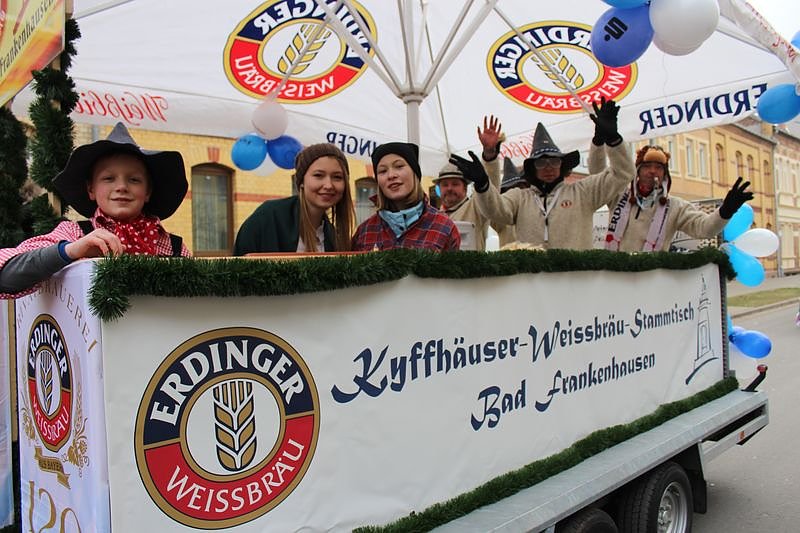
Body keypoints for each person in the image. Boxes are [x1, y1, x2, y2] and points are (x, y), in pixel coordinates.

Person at [0, 122, 190, 298]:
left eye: (134, 179)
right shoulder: (73, 234)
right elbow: (6, 276)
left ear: (147, 191)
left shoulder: (174, 247)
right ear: (91, 189)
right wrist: (71, 251)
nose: (122, 186)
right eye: (109, 178)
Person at [450, 98, 634, 250]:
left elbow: (623, 173)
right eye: (541, 162)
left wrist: (613, 140)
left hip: (575, 284)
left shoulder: (583, 193)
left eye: (554, 161)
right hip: (531, 286)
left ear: (562, 165)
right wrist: (483, 182)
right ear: (532, 168)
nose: (548, 167)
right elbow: (496, 211)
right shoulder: (520, 198)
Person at [602, 145, 753, 252]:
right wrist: (600, 141)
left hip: (652, 279)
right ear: (638, 170)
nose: (653, 171)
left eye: (659, 167)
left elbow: (705, 229)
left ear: (665, 174)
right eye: (647, 166)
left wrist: (726, 210)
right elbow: (597, 176)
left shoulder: (675, 206)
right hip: (615, 276)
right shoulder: (618, 196)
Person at [234, 143, 355, 254]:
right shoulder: (268, 217)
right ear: (301, 181)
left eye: (337, 177)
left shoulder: (332, 237)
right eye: (318, 175)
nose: (328, 185)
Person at [352, 142, 460, 251]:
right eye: (383, 171)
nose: (391, 175)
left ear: (415, 173)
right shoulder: (364, 231)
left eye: (399, 166)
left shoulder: (444, 226)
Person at [432, 115, 503, 251]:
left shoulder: (476, 206)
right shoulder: (433, 216)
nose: (450, 188)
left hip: (473, 272)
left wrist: (489, 156)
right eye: (445, 184)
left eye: (455, 183)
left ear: (465, 188)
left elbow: (490, 192)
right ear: (439, 188)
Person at [495, 158, 530, 248]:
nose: (515, 192)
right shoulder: (501, 219)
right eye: (510, 189)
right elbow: (492, 208)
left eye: (519, 187)